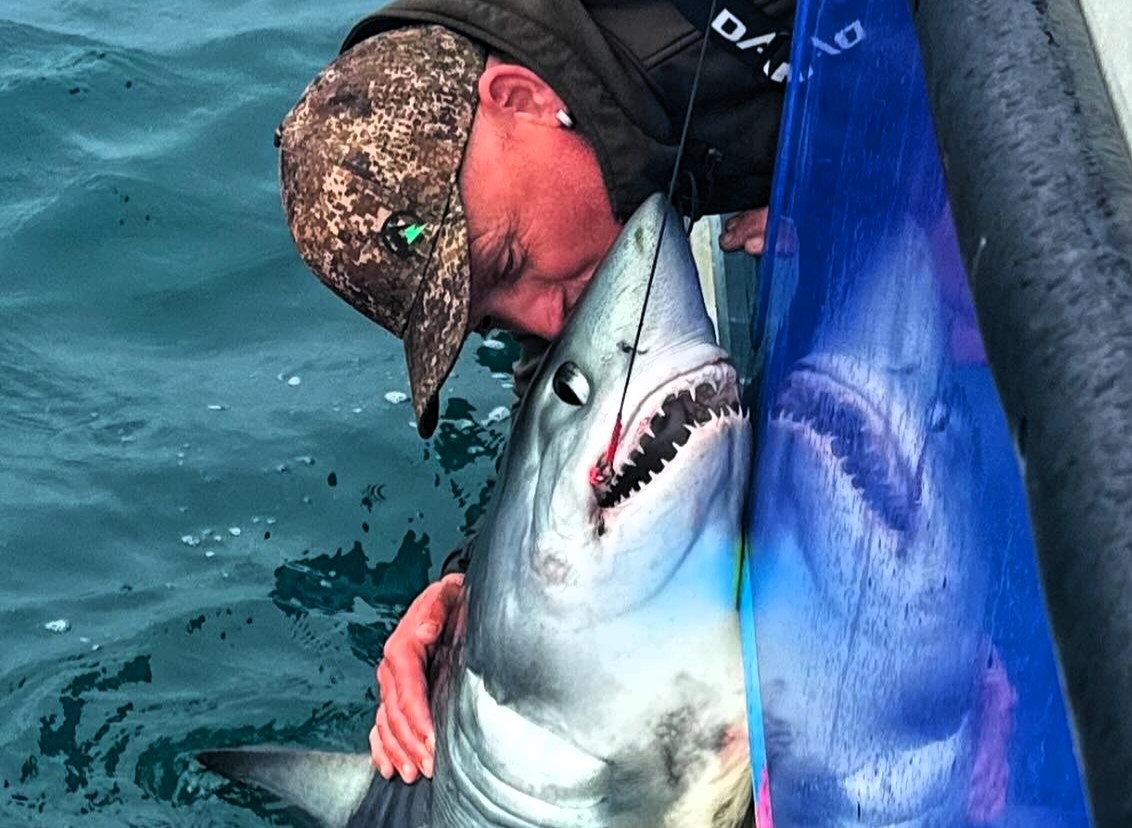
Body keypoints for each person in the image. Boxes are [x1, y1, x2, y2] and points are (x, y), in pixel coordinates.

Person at [276, 2, 1012, 821]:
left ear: (519, 96)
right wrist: (468, 592)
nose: (547, 319)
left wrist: (889, 184)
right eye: (496, 315)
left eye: (512, 259)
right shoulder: (572, 232)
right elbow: (560, 397)